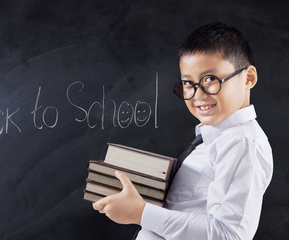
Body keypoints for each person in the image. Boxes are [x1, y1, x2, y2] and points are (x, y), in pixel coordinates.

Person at [92, 22, 273, 239]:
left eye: (210, 79)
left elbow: (229, 234)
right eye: (188, 83)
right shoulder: (214, 138)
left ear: (248, 78)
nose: (198, 95)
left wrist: (141, 213)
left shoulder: (242, 144)